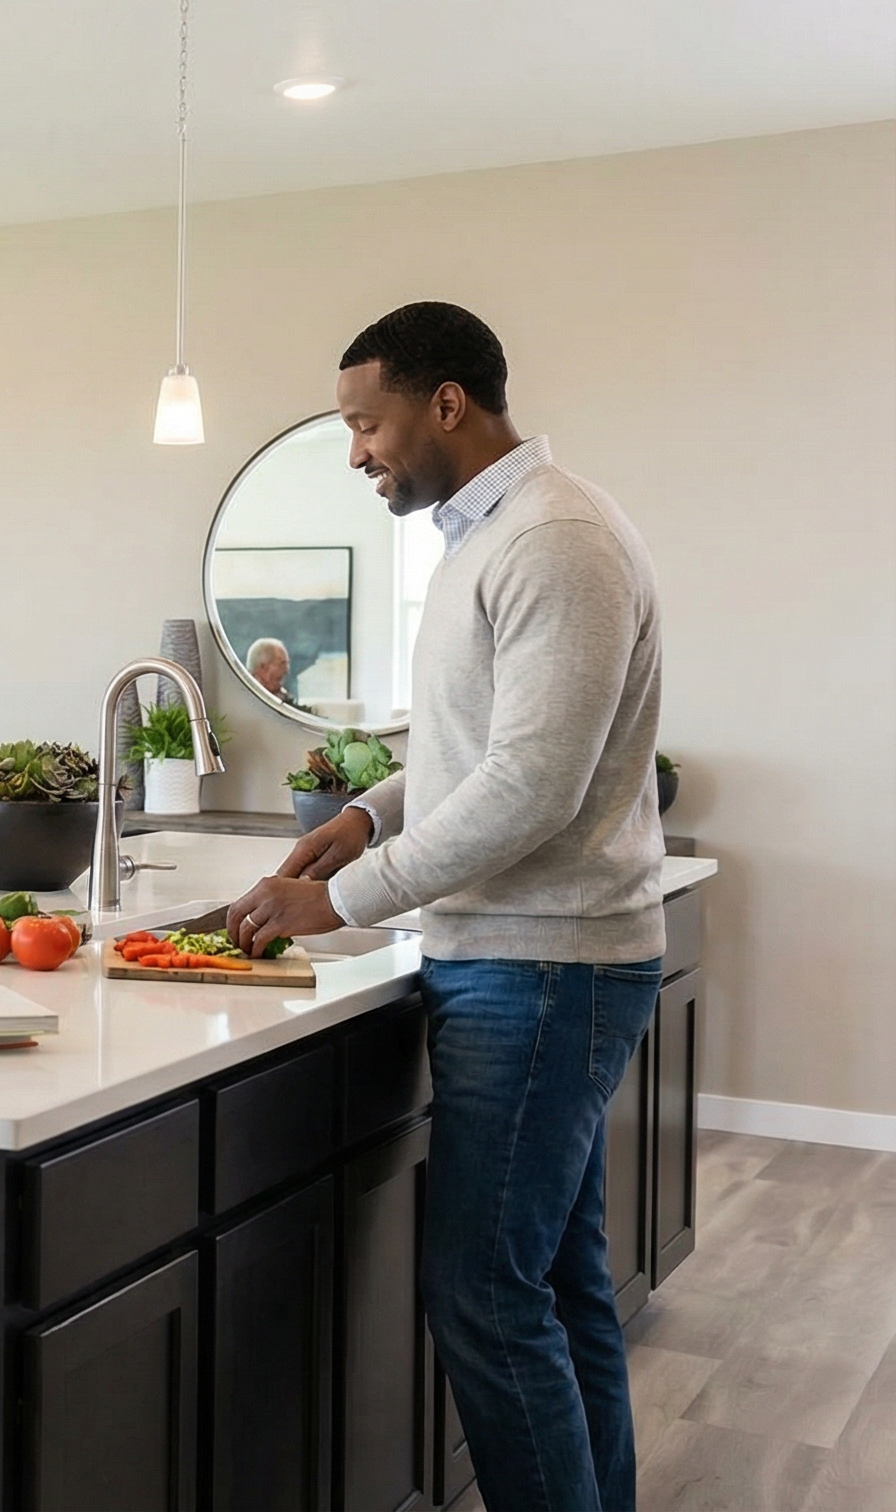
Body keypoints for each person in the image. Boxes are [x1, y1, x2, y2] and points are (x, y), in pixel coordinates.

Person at [225, 301, 664, 1512]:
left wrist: (343, 900)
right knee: (555, 1288)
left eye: (366, 424)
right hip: (525, 960)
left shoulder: (554, 539)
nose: (357, 452)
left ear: (446, 405)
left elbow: (531, 785)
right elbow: (482, 746)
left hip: (542, 967)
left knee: (481, 1293)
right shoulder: (495, 535)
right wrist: (365, 816)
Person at [246, 637, 299, 707]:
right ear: (263, 667)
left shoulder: (285, 700)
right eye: (282, 663)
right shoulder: (244, 698)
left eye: (287, 663)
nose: (287, 670)